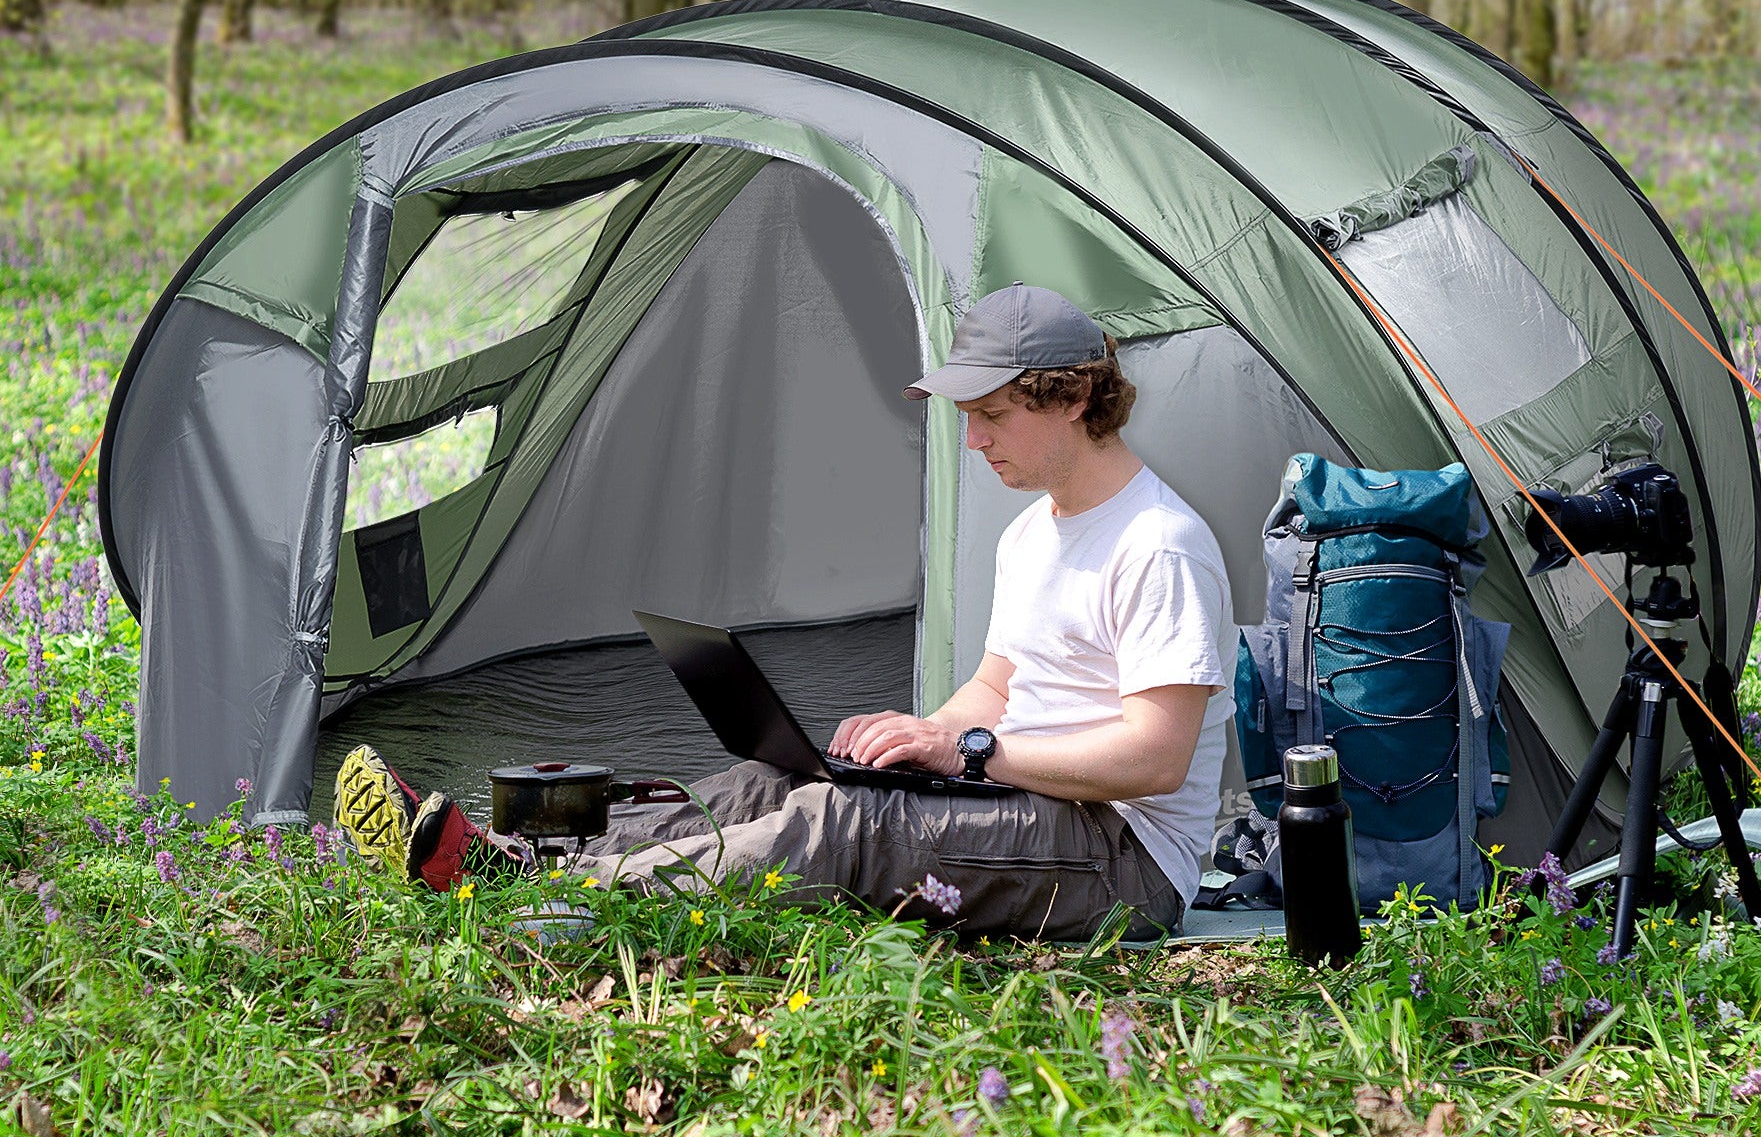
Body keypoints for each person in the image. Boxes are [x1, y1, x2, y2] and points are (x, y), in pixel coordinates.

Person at [334, 283, 1234, 940]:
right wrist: (914, 737)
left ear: (1073, 397)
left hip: (1123, 859)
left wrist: (967, 753)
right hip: (1021, 797)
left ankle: (557, 908)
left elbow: (1155, 759)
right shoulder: (1034, 533)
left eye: (993, 414)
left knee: (845, 825)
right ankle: (515, 858)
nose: (974, 440)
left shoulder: (1157, 543)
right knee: (780, 783)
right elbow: (999, 686)